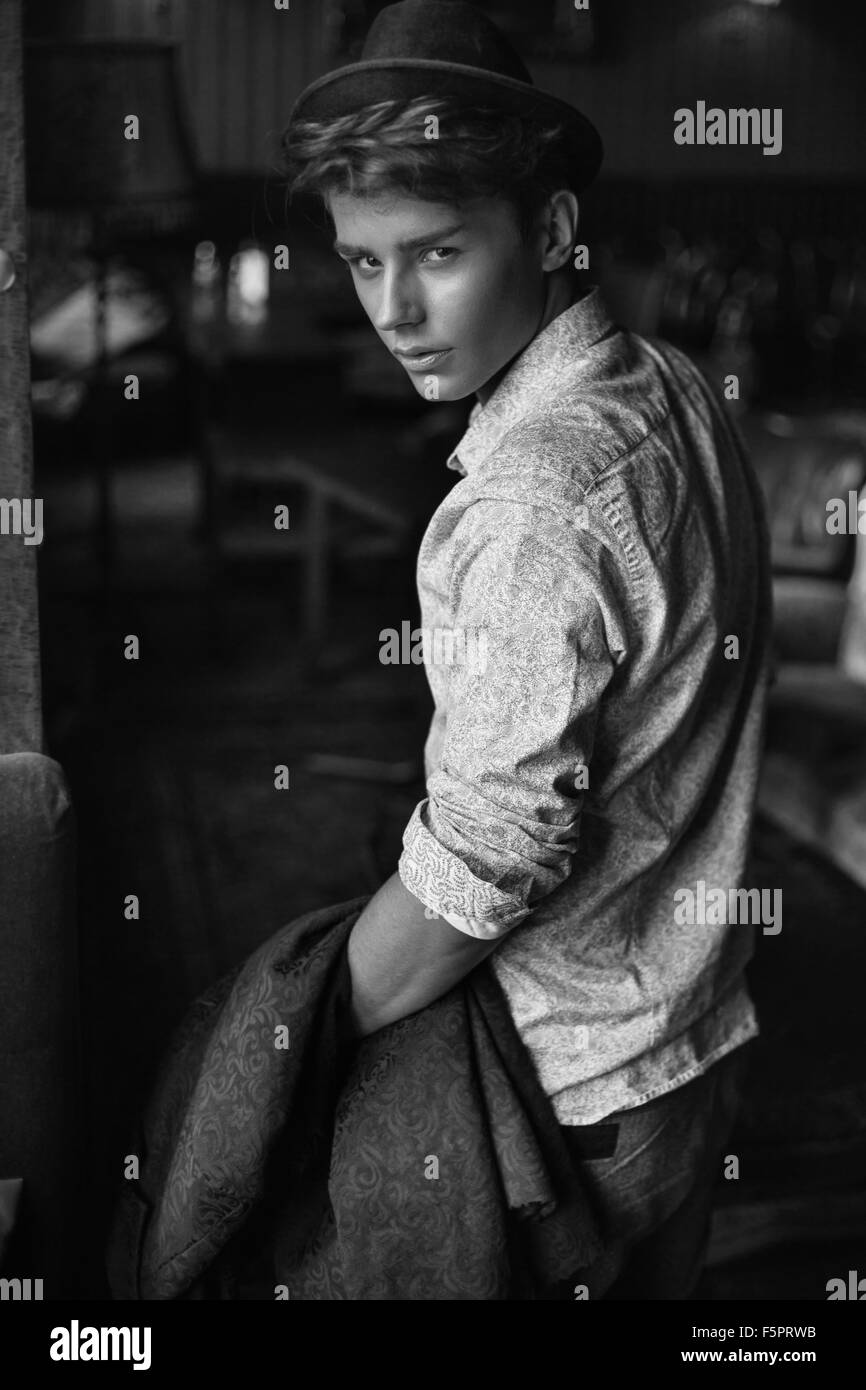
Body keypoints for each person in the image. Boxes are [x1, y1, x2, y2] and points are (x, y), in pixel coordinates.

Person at [281, 0, 773, 1299]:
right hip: (688, 1034)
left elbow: (482, 866)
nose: (394, 309)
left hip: (568, 1100)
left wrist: (291, 1038)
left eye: (437, 253)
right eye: (362, 261)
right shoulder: (670, 382)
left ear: (551, 230)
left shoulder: (531, 505)